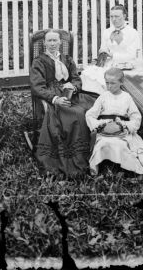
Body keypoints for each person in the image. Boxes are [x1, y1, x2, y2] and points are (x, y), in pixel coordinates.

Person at [30, 29, 98, 176]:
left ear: (60, 42)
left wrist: (73, 86)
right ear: (44, 43)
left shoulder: (67, 59)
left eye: (55, 40)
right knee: (75, 113)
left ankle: (97, 153)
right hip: (53, 96)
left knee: (91, 107)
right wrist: (55, 100)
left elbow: (76, 78)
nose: (53, 43)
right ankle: (75, 158)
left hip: (70, 94)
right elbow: (37, 87)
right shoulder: (39, 61)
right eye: (49, 41)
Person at [85, 67, 143, 176]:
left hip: (121, 131)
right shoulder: (103, 96)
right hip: (105, 131)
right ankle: (103, 165)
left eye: (112, 83)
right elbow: (90, 115)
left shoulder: (126, 97)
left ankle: (123, 168)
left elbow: (136, 117)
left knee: (121, 145)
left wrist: (124, 125)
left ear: (121, 82)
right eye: (107, 83)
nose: (109, 86)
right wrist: (100, 125)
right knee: (103, 144)